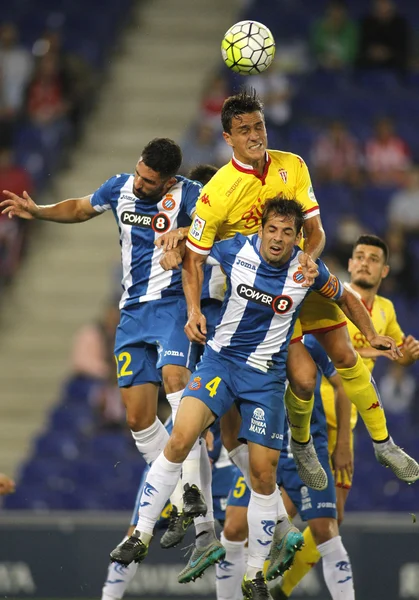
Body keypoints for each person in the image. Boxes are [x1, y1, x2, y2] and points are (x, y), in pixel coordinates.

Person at [110, 199, 399, 599]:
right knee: (180, 439)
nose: (278, 239)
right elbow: (196, 249)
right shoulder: (235, 248)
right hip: (220, 363)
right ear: (260, 229)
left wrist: (371, 332)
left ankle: (254, 576)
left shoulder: (307, 269)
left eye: (287, 232)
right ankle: (139, 535)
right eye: (272, 230)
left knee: (264, 477)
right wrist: (178, 239)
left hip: (264, 380)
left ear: (297, 238)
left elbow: (346, 298)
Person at [180, 88, 418, 501]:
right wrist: (184, 262)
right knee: (304, 378)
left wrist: (308, 259)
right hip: (260, 296)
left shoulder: (293, 166)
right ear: (228, 138)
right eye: (244, 130)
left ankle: (384, 444)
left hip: (302, 273)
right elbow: (199, 254)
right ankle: (304, 445)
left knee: (345, 355)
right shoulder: (217, 190)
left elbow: (317, 230)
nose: (255, 135)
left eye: (259, 126)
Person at [0, 138, 210, 521]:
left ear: (167, 182)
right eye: (138, 173)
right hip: (131, 314)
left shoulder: (192, 195)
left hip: (172, 305)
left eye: (148, 181)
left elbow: (221, 227)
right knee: (137, 418)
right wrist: (40, 211)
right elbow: (81, 208)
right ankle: (180, 488)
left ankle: (194, 490)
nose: (138, 183)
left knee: (176, 379)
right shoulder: (119, 187)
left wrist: (183, 234)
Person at [275, 234, 419, 598]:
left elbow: (396, 351)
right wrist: (341, 444)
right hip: (316, 419)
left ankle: (273, 586)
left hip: (350, 423)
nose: (365, 263)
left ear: (384, 270)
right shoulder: (332, 300)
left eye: (374, 258)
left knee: (330, 520)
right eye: (359, 256)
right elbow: (331, 370)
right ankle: (261, 582)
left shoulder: (386, 310)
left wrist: (408, 355)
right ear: (350, 264)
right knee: (297, 513)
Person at [220, 335, 355, 600]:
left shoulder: (309, 341)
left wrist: (343, 444)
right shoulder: (242, 338)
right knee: (235, 528)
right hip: (261, 449)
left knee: (325, 529)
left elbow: (343, 386)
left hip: (305, 451)